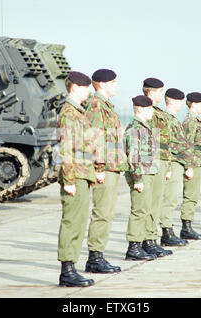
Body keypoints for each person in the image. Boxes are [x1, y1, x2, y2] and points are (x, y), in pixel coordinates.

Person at [84, 69, 128, 274]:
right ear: (101, 84)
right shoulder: (96, 106)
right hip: (105, 168)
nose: (116, 85)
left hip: (112, 166)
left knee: (107, 212)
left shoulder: (106, 106)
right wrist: (99, 167)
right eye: (113, 82)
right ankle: (95, 258)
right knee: (102, 212)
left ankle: (98, 254)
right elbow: (95, 139)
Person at [57, 71, 96, 287]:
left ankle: (72, 268)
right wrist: (69, 180)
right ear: (76, 88)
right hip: (75, 175)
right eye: (86, 88)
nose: (88, 92)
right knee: (72, 222)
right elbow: (66, 150)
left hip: (82, 174)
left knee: (79, 222)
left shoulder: (78, 112)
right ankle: (67, 271)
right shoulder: (69, 113)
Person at [124, 95, 160, 261]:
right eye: (150, 108)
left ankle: (143, 243)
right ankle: (134, 247)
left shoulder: (146, 127)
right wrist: (137, 179)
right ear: (141, 109)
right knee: (139, 210)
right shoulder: (135, 129)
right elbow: (133, 157)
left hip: (149, 172)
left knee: (146, 209)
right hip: (141, 174)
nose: (152, 111)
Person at [141, 77, 174, 256]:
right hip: (151, 162)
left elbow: (165, 142)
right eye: (160, 91)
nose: (162, 94)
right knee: (149, 203)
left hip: (160, 161)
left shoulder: (158, 111)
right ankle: (147, 239)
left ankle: (152, 238)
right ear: (151, 92)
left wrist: (167, 166)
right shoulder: (147, 111)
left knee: (156, 202)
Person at [160, 88, 194, 246]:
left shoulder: (174, 119)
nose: (182, 103)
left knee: (172, 198)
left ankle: (168, 229)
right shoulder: (167, 119)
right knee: (170, 199)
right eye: (179, 100)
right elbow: (168, 145)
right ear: (171, 101)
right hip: (173, 162)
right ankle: (166, 231)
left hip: (178, 162)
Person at [179, 92, 201, 240]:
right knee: (190, 196)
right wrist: (189, 166)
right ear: (194, 104)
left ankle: (188, 225)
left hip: (197, 163)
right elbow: (187, 145)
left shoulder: (196, 121)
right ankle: (186, 227)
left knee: (193, 195)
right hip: (192, 164)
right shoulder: (190, 122)